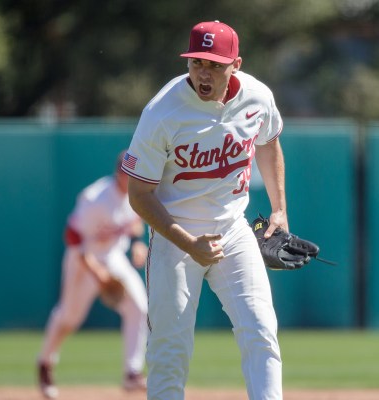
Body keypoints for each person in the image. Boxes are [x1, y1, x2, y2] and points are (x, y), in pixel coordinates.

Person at [122, 21, 286, 400]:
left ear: (236, 65)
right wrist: (188, 242)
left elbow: (268, 142)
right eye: (197, 62)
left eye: (214, 64)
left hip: (234, 230)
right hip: (174, 237)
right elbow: (139, 194)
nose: (203, 72)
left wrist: (280, 210)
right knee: (169, 350)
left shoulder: (257, 97)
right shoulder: (162, 111)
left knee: (261, 329)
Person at [37, 151, 149, 399]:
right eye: (129, 174)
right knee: (69, 316)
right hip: (82, 258)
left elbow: (136, 222)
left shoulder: (135, 194)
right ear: (119, 173)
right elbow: (73, 237)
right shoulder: (95, 198)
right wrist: (96, 272)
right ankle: (45, 362)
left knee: (139, 307)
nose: (133, 179)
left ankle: (132, 373)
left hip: (112, 256)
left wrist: (138, 243)